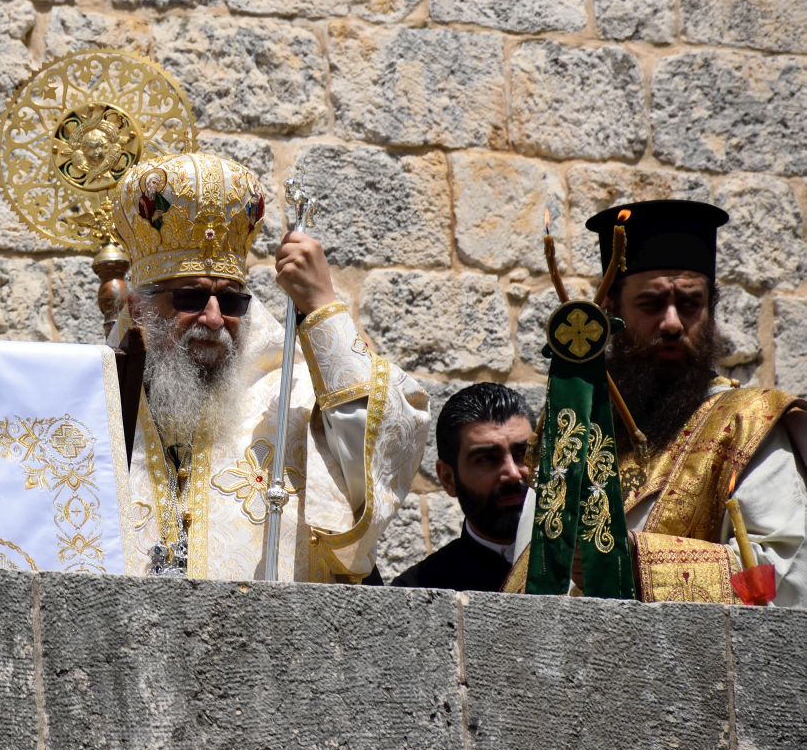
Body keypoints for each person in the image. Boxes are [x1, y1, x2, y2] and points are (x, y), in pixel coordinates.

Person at [109, 152, 430, 581]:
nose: (213, 318)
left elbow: (392, 443)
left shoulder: (291, 401)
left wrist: (322, 305)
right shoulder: (100, 406)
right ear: (138, 306)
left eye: (231, 300)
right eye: (189, 297)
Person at [508, 200, 807, 605]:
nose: (672, 323)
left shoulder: (748, 425)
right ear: (609, 311)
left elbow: (784, 583)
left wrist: (641, 562)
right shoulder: (573, 433)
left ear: (711, 309)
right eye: (651, 304)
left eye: (689, 304)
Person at [391, 384, 535, 592]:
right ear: (448, 479)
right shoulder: (418, 591)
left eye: (524, 454)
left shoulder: (582, 568)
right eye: (487, 459)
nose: (513, 473)